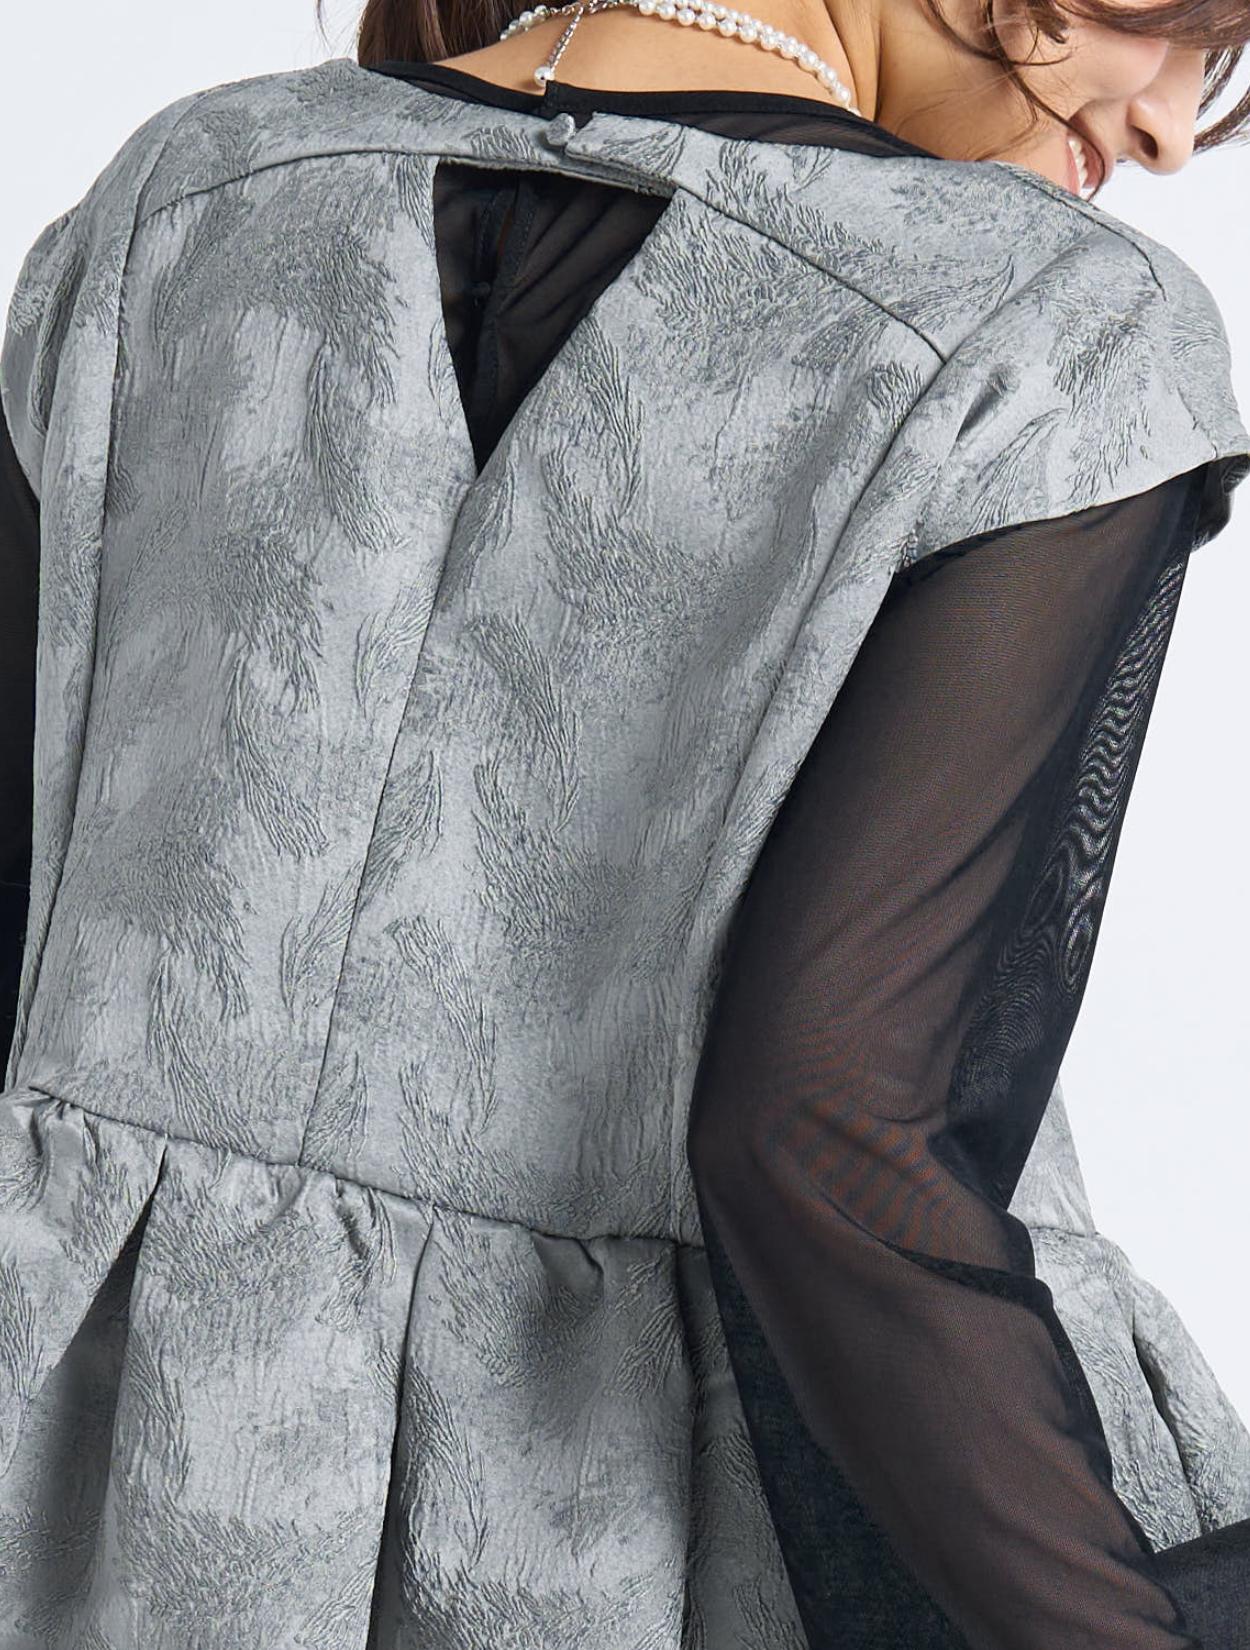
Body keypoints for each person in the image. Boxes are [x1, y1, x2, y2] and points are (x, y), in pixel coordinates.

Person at [1, 0, 1249, 1643]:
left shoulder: (179, 194)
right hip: (687, 1517)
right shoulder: (1046, 331)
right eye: (1179, 24)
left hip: (108, 1484)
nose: (1169, 126)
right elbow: (827, 1136)